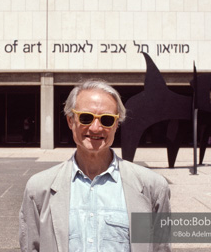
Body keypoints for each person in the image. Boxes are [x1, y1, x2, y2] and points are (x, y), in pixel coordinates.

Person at [19, 79, 171, 252]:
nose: (96, 128)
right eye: (86, 118)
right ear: (70, 121)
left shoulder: (153, 187)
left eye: (106, 120)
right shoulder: (39, 189)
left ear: (116, 124)